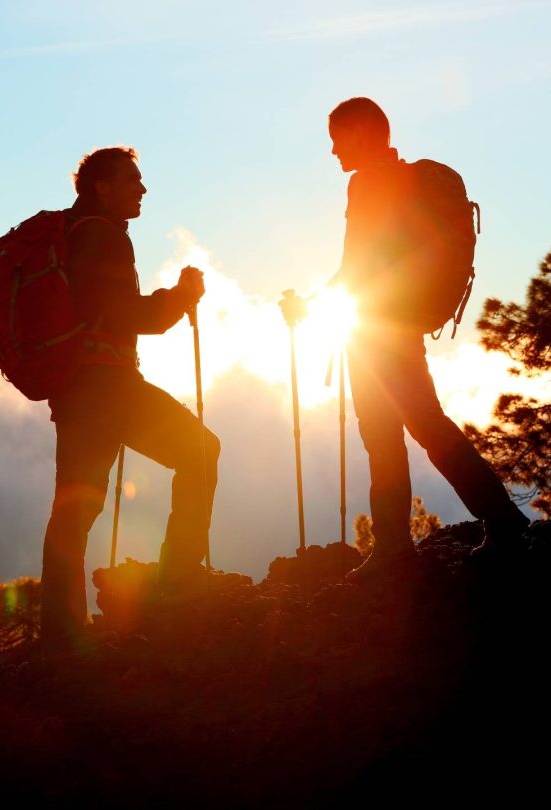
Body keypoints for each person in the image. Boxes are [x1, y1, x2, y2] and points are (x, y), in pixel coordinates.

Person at [281, 97, 529, 583]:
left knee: (392, 433)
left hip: (377, 330)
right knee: (421, 425)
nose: (332, 151)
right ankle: (486, 522)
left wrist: (307, 307)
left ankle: (408, 543)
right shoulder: (404, 180)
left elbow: (357, 266)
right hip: (400, 324)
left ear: (358, 133)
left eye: (336, 139)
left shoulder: (368, 183)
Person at [41, 146, 220, 654]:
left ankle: (61, 637)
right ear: (103, 187)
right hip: (108, 389)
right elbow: (124, 315)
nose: (142, 190)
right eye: (132, 181)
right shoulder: (101, 236)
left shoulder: (78, 232)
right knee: (201, 453)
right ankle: (179, 585)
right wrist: (182, 297)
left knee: (74, 510)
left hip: (79, 391)